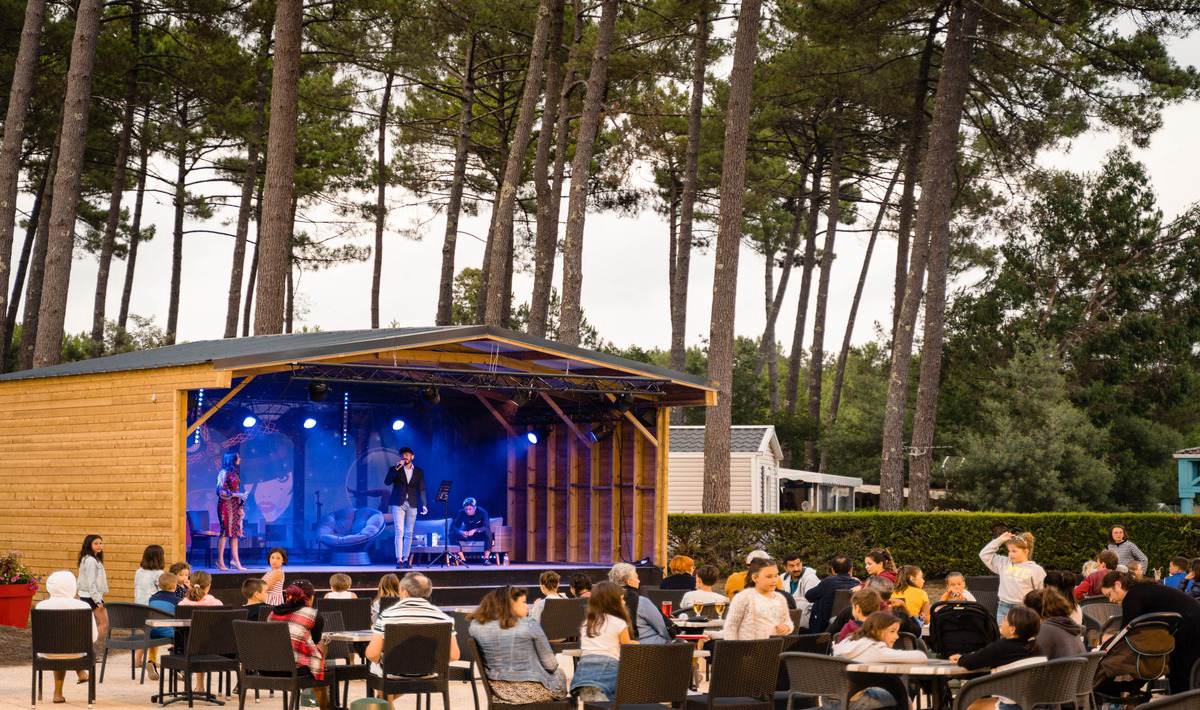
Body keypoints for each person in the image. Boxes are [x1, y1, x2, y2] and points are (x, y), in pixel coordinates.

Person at [366, 572, 460, 709]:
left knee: (378, 671)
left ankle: (384, 702)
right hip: (429, 673)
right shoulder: (444, 618)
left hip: (394, 673)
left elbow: (372, 654)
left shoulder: (387, 616)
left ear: (404, 593)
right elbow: (454, 655)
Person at [1100, 570, 1200, 694]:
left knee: (1181, 673)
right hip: (1189, 623)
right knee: (1182, 672)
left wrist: (1109, 640)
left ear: (1118, 585)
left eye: (1109, 594)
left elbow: (1126, 632)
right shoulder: (1142, 590)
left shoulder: (1132, 597)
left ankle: (1184, 703)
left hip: (1190, 627)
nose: (1110, 600)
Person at [468, 586, 569, 703]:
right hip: (532, 691)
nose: (527, 607)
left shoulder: (476, 627)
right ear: (510, 604)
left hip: (499, 693)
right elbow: (550, 665)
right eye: (524, 602)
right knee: (559, 673)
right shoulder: (529, 624)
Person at [950, 606, 1047, 710]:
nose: (1001, 623)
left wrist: (960, 658)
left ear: (1012, 629)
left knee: (967, 705)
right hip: (1038, 705)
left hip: (1014, 706)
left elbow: (970, 662)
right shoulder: (1037, 648)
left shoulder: (1003, 647)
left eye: (1005, 620)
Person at [832, 611, 929, 709]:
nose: (897, 636)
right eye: (892, 631)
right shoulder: (874, 650)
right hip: (853, 702)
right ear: (875, 631)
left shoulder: (849, 642)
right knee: (904, 699)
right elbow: (921, 657)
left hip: (831, 699)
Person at [36, 571, 98, 703]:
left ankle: (57, 694)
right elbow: (93, 637)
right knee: (68, 647)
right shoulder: (83, 606)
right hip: (77, 654)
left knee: (59, 647)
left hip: (47, 653)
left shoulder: (41, 606)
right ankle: (81, 672)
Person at [570, 581, 636, 702]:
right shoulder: (619, 623)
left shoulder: (587, 624)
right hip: (608, 680)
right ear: (612, 602)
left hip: (584, 680)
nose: (624, 602)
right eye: (621, 599)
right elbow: (628, 652)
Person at [269, 580, 331, 710]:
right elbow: (315, 641)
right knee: (321, 649)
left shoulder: (272, 613)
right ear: (311, 598)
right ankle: (326, 707)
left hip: (267, 667)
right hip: (293, 669)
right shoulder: (313, 614)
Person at [979, 531, 1045, 625]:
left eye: (1014, 551)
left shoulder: (1036, 570)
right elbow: (984, 554)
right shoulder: (1004, 563)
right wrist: (999, 540)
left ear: (1026, 551)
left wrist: (1038, 614)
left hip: (1023, 609)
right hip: (1003, 607)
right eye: (1009, 551)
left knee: (1022, 636)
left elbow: (1041, 593)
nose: (1010, 555)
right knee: (1003, 637)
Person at [724, 557, 793, 640]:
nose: (774, 580)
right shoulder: (743, 597)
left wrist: (787, 626)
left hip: (775, 647)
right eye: (769, 577)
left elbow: (788, 621)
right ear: (755, 578)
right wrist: (733, 649)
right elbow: (731, 627)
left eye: (776, 576)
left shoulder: (780, 598)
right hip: (749, 648)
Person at [384, 446, 428, 569]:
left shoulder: (418, 471)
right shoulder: (395, 469)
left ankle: (406, 558)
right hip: (398, 503)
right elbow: (387, 482)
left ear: (412, 457)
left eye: (407, 454)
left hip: (412, 503)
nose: (405, 456)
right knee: (399, 531)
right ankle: (399, 559)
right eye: (403, 455)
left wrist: (424, 504)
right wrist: (397, 468)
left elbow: (422, 488)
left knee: (409, 532)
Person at [609, 562, 670, 643]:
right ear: (629, 582)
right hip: (649, 648)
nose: (639, 581)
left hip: (616, 647)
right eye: (637, 578)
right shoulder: (641, 602)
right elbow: (663, 628)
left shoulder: (605, 600)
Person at [1022, 588, 1084, 659]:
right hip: (1077, 669)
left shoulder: (1046, 629)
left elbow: (1030, 660)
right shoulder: (1067, 624)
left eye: (1027, 611)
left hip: (1057, 669)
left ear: (1034, 612)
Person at [805, 555, 859, 633]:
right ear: (851, 569)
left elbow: (809, 596)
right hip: (849, 623)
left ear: (832, 570)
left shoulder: (829, 582)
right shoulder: (857, 585)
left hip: (825, 626)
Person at [134, 544, 165, 671]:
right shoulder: (159, 573)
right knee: (155, 633)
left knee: (147, 633)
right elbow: (162, 591)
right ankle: (151, 660)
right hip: (151, 607)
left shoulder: (138, 571)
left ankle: (139, 659)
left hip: (138, 606)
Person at [215, 451, 249, 570]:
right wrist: (237, 494)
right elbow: (221, 492)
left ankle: (235, 560)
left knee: (234, 534)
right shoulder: (223, 473)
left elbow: (236, 491)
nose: (239, 459)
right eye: (238, 457)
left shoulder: (234, 473)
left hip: (234, 505)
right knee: (225, 532)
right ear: (232, 459)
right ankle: (220, 561)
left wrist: (240, 505)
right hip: (225, 505)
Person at [146, 572, 180, 680]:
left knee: (153, 635)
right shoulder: (177, 600)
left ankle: (151, 661)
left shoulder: (152, 599)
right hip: (171, 632)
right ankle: (176, 665)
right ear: (175, 586)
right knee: (180, 635)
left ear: (159, 585)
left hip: (152, 631)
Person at [77, 534, 109, 640]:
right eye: (96, 543)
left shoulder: (91, 559)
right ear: (88, 545)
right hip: (91, 597)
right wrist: (98, 600)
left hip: (88, 596)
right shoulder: (91, 560)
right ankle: (86, 645)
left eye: (100, 543)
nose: (99, 546)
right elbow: (91, 583)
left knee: (92, 625)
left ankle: (86, 647)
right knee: (105, 623)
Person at [449, 497, 493, 565]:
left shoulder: (482, 512)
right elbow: (454, 526)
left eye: (470, 509)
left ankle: (486, 559)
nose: (467, 511)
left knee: (488, 533)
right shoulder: (462, 513)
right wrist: (461, 532)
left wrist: (475, 530)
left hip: (480, 534)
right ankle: (462, 559)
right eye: (466, 509)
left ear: (475, 507)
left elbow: (486, 527)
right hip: (468, 534)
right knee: (451, 534)